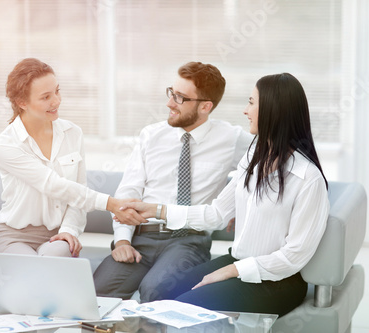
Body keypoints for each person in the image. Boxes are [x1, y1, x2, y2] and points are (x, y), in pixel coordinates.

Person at [119, 73, 330, 316]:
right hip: (238, 262)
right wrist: (158, 210)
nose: (245, 110)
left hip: (278, 280)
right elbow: (217, 213)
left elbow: (294, 256)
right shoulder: (254, 158)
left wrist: (232, 271)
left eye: (251, 102)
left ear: (274, 110)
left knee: (185, 307)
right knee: (162, 292)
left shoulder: (307, 178)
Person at [93, 61, 253, 302]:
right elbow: (129, 191)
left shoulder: (231, 139)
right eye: (171, 93)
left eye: (180, 98)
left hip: (188, 240)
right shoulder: (151, 135)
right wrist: (123, 240)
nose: (169, 103)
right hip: (141, 237)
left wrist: (241, 205)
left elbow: (271, 167)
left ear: (205, 107)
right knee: (98, 291)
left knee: (157, 289)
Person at [0, 58, 144, 257]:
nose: (56, 101)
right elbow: (53, 184)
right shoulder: (6, 145)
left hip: (56, 235)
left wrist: (68, 231)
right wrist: (112, 204)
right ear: (22, 103)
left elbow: (77, 192)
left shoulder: (73, 133)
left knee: (56, 257)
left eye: (57, 91)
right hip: (13, 236)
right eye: (45, 97)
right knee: (28, 269)